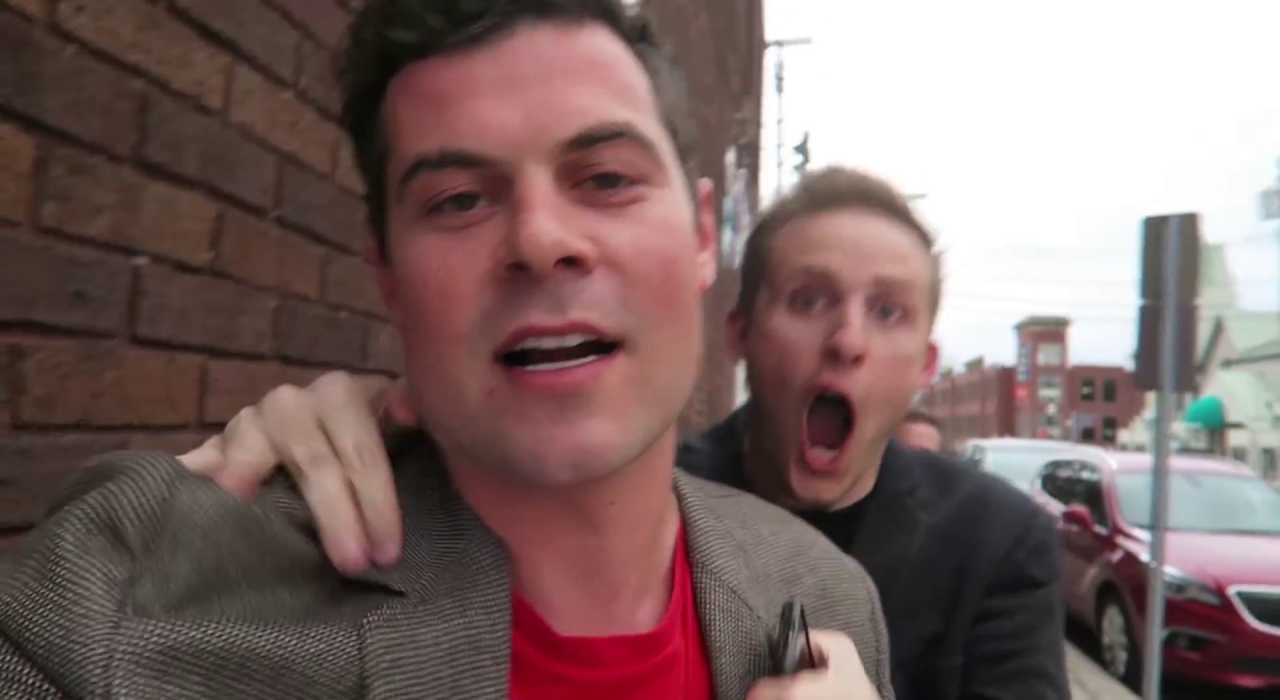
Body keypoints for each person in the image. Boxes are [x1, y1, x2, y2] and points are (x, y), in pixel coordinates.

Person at [0, 0, 894, 699]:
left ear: (702, 236)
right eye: (459, 199)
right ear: (386, 272)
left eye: (607, 178)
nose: (540, 238)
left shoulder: (825, 592)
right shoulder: (133, 598)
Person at [187, 168, 1070, 699]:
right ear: (741, 333)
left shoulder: (999, 544)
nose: (847, 340)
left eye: (888, 312)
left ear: (925, 365)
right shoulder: (630, 490)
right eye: (808, 300)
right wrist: (351, 433)